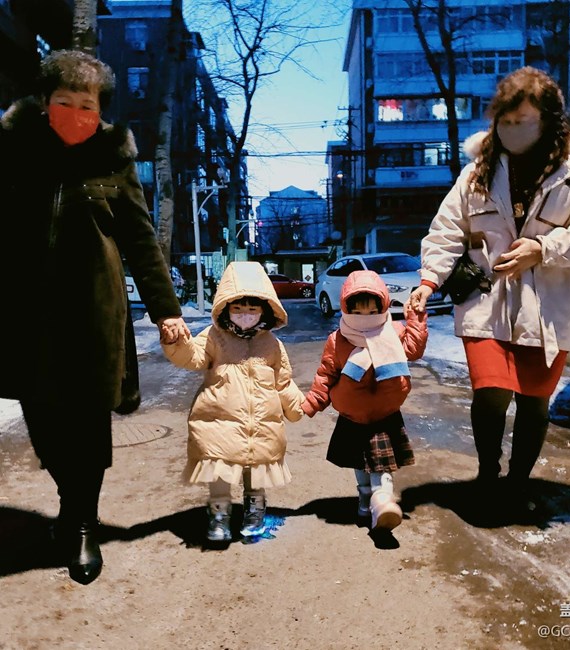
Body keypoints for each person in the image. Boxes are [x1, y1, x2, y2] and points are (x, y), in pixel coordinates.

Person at [0, 50, 189, 585]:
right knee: (43, 421)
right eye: (66, 101)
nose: (77, 113)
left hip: (94, 314)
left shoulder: (112, 158)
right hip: (26, 314)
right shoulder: (14, 150)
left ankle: (83, 523)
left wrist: (167, 311)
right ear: (45, 102)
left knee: (86, 423)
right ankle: (70, 498)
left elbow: (140, 240)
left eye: (87, 104)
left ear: (100, 109)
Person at [408, 66, 570, 515]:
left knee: (533, 399)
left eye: (520, 121)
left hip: (547, 308)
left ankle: (518, 484)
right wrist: (429, 281)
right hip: (486, 302)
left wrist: (543, 249)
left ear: (547, 120)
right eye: (503, 122)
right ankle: (488, 475)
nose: (509, 130)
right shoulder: (478, 171)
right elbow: (446, 230)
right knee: (490, 392)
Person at [161, 261, 303, 544]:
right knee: (219, 467)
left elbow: (283, 381)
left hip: (262, 423)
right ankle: (219, 513)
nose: (245, 315)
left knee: (257, 469)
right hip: (218, 420)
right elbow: (192, 357)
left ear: (265, 309)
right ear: (225, 308)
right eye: (237, 308)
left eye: (252, 309)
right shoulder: (214, 337)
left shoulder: (272, 344)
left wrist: (297, 406)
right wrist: (177, 343)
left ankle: (255, 510)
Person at [301, 270, 428, 532]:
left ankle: (383, 500)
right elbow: (326, 374)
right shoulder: (338, 340)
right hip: (352, 413)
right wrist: (313, 401)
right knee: (359, 462)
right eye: (358, 312)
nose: (365, 318)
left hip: (384, 412)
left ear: (383, 307)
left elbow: (414, 350)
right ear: (347, 309)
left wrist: (415, 319)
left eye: (372, 311)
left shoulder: (393, 332)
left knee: (382, 464)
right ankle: (364, 498)